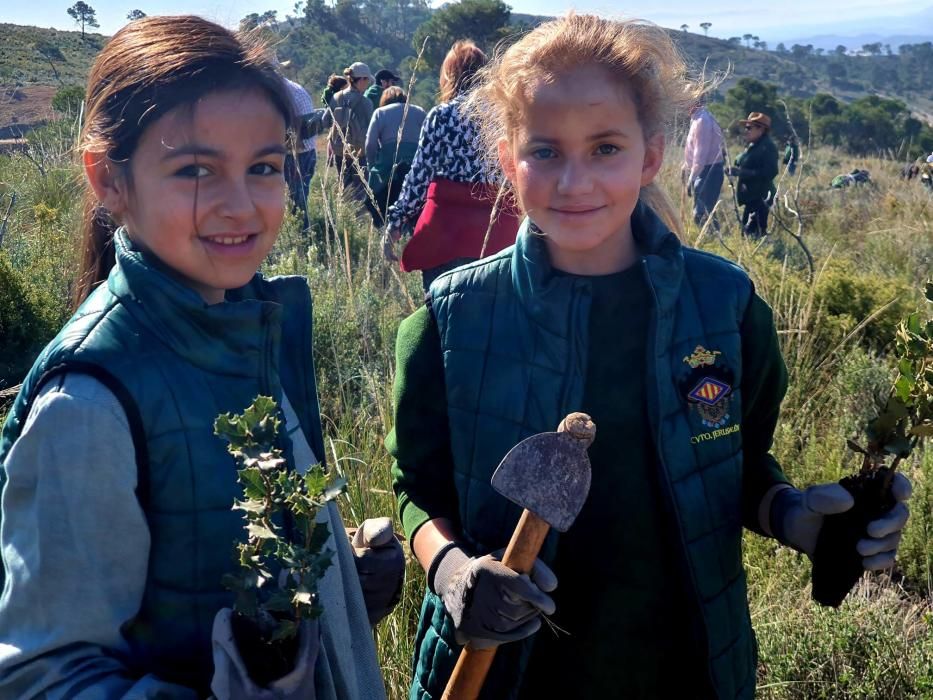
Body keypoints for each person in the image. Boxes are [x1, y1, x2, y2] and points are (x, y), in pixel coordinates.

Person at [387, 14, 911, 700]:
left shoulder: (724, 308)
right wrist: (452, 571)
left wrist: (805, 522)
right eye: (544, 152)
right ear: (508, 158)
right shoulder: (449, 321)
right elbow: (415, 490)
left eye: (604, 148)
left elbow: (740, 471)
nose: (574, 182)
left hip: (684, 668)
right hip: (504, 677)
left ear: (651, 155)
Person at [0, 16, 402, 699]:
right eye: (195, 169)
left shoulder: (249, 327)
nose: (240, 204)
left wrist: (329, 591)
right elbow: (43, 676)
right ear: (110, 180)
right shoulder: (90, 403)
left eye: (264, 167)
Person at [381, 40, 521, 293]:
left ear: (449, 76)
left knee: (441, 320)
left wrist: (396, 221)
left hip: (447, 234)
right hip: (501, 233)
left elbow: (420, 176)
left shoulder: (442, 115)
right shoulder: (507, 114)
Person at [365, 86, 426, 226]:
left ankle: (382, 227)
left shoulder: (380, 112)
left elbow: (370, 143)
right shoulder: (419, 111)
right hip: (414, 166)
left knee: (376, 199)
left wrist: (372, 165)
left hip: (388, 167)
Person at [323, 62, 375, 198]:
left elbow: (325, 121)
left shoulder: (336, 97)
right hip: (359, 153)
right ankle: (358, 217)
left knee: (344, 188)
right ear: (362, 79)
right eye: (367, 80)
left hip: (339, 151)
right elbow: (371, 128)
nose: (368, 83)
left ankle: (344, 215)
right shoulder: (366, 103)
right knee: (360, 191)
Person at [728, 111, 779, 238]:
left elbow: (771, 172)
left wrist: (743, 173)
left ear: (761, 129)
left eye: (749, 128)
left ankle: (760, 254)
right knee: (748, 232)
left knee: (753, 234)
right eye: (745, 128)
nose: (746, 131)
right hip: (752, 197)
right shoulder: (755, 145)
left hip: (761, 197)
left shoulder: (767, 147)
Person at [282, 70, 319, 231]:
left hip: (296, 153)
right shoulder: (293, 88)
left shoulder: (281, 91)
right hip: (301, 151)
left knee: (297, 198)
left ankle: (301, 232)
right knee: (298, 196)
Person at [682, 97, 725, 228]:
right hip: (704, 171)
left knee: (702, 213)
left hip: (707, 171)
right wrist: (685, 166)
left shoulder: (702, 121)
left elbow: (700, 155)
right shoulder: (697, 118)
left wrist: (691, 178)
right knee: (705, 211)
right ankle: (711, 239)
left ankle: (710, 241)